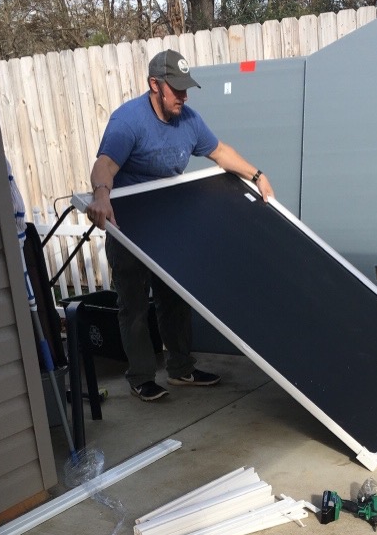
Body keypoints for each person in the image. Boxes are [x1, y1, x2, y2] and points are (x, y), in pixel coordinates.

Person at [86, 52, 274, 403]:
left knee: (174, 296)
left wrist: (257, 175)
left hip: (167, 220)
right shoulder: (128, 121)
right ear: (154, 85)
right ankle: (141, 376)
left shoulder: (188, 119)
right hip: (127, 222)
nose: (184, 97)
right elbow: (105, 165)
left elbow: (219, 152)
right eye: (177, 90)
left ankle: (181, 368)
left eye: (187, 89)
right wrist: (101, 196)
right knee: (135, 304)